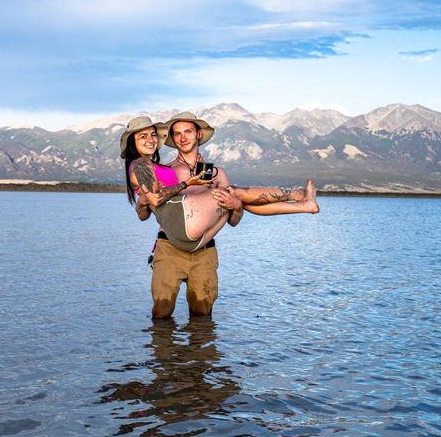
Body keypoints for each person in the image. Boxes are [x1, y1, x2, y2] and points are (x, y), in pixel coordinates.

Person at [120, 112, 319, 320]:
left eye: (187, 131)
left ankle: (304, 203)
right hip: (171, 246)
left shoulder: (215, 174)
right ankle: (299, 197)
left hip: (204, 247)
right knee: (161, 314)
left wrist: (235, 207)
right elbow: (150, 206)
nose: (182, 137)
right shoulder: (162, 168)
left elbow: (234, 219)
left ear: (198, 134)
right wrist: (147, 201)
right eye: (177, 133)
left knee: (203, 316)